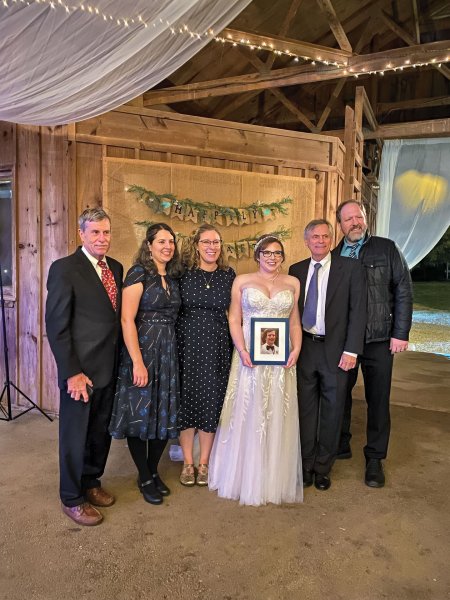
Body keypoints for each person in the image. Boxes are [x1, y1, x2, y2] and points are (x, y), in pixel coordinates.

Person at [209, 235, 303, 506]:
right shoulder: (242, 281)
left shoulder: (293, 283)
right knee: (249, 410)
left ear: (282, 257)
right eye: (267, 252)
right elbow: (234, 318)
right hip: (249, 356)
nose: (272, 257)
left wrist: (296, 349)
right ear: (258, 255)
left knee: (276, 411)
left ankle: (273, 476)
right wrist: (242, 350)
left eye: (277, 253)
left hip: (281, 360)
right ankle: (243, 474)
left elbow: (294, 322)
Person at [45, 208, 123, 526]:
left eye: (106, 232)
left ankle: (91, 482)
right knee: (75, 435)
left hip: (109, 366)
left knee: (100, 432)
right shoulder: (65, 269)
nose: (102, 238)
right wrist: (71, 372)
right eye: (95, 232)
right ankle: (72, 497)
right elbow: (57, 326)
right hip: (80, 372)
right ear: (82, 234)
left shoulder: (115, 267)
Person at [333, 200, 413, 487]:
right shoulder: (334, 255)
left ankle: (375, 458)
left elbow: (403, 289)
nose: (355, 222)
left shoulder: (386, 249)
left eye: (359, 217)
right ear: (340, 225)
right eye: (348, 219)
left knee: (377, 399)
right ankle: (340, 443)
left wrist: (400, 332)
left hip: (378, 338)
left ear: (366, 218)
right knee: (339, 394)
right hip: (344, 341)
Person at [289, 219, 366, 491]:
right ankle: (306, 463)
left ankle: (323, 467)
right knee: (305, 408)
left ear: (331, 239)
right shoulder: (296, 270)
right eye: (315, 237)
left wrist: (352, 350)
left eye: (325, 236)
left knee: (333, 410)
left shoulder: (351, 268)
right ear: (306, 241)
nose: (320, 241)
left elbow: (359, 311)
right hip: (305, 348)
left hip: (337, 350)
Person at [109, 223, 183, 505]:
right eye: (161, 241)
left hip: (168, 353)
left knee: (164, 413)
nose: (167, 246)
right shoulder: (138, 273)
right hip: (142, 351)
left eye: (171, 241)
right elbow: (127, 319)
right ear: (149, 245)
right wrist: (137, 362)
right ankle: (144, 475)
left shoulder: (173, 277)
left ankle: (152, 471)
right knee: (139, 415)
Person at [176, 224, 236, 487]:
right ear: (196, 245)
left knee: (211, 403)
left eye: (216, 242)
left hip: (217, 346)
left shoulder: (228, 275)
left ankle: (204, 463)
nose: (212, 247)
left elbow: (236, 314)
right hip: (186, 345)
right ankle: (188, 463)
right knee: (187, 402)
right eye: (206, 242)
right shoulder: (183, 273)